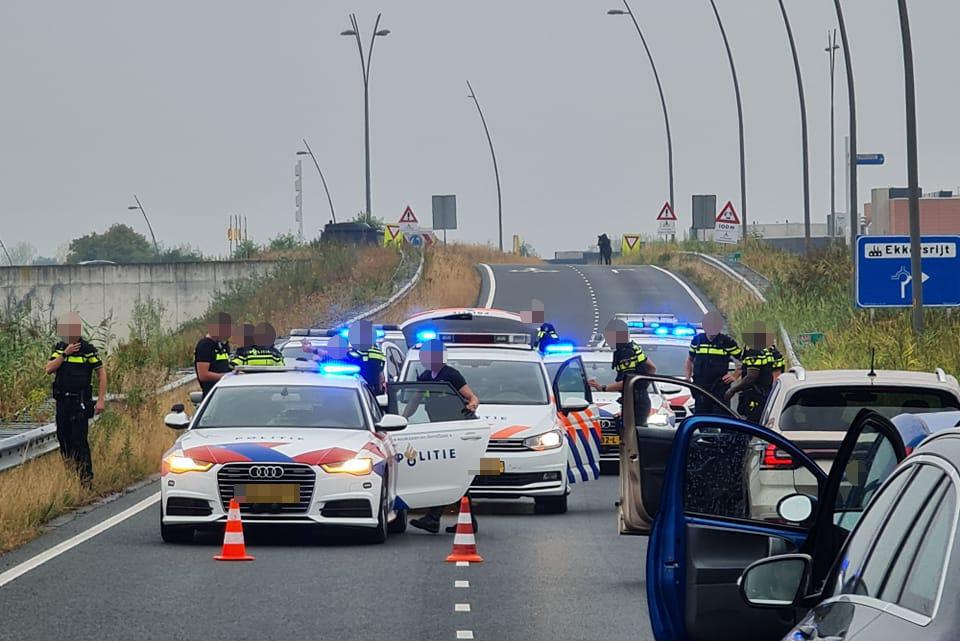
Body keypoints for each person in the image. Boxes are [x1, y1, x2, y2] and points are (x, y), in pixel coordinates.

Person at [407, 339, 480, 534]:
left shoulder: (451, 375)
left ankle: (434, 518)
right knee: (452, 473)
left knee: (450, 473)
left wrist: (470, 406)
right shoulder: (424, 376)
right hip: (437, 431)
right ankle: (464, 520)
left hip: (454, 430)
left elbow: (472, 398)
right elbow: (414, 402)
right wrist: (400, 420)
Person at [45, 312, 106, 486]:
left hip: (79, 402)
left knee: (79, 440)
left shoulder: (88, 349)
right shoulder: (59, 348)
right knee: (64, 439)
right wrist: (64, 354)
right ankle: (71, 477)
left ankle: (86, 479)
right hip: (62, 402)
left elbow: (101, 373)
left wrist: (101, 400)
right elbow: (49, 369)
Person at [588, 319, 656, 426]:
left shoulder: (625, 354)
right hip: (640, 399)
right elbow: (652, 368)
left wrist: (602, 388)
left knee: (631, 437)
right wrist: (642, 386)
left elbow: (627, 381)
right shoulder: (633, 348)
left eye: (609, 336)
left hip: (634, 402)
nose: (608, 339)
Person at [685, 311, 742, 416]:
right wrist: (688, 378)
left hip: (719, 388)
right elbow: (690, 359)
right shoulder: (697, 340)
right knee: (701, 418)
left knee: (721, 419)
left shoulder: (727, 342)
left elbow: (744, 361)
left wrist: (735, 375)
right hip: (701, 388)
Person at [724, 322, 776, 423]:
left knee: (752, 423)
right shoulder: (767, 350)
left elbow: (751, 377)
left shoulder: (754, 352)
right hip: (766, 392)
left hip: (756, 395)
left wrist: (733, 390)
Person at [195, 312, 233, 398]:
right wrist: (228, 376)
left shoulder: (223, 345)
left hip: (227, 394)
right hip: (213, 396)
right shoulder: (205, 345)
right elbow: (203, 375)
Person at [347, 321, 387, 394]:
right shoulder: (378, 354)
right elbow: (381, 378)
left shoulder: (349, 354)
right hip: (372, 393)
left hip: (364, 393)